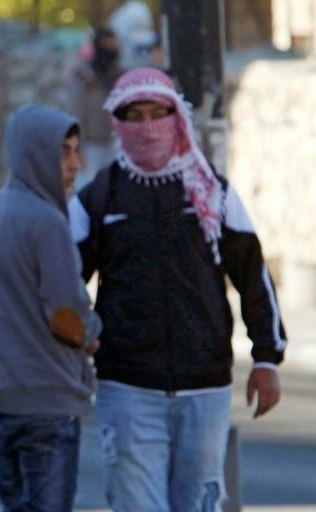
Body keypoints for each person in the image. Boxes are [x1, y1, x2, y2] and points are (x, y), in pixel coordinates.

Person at [68, 68, 287, 511]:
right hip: (127, 388)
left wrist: (267, 356)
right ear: (118, 122)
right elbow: (62, 279)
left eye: (157, 113)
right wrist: (81, 333)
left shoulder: (215, 194)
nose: (147, 126)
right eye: (135, 115)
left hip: (205, 390)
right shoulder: (99, 197)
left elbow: (252, 276)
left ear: (176, 117)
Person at [0, 105, 102, 512]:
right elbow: (67, 318)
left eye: (76, 150)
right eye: (64, 151)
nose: (77, 163)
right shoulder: (47, 222)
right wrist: (93, 333)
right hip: (47, 400)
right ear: (34, 154)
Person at [66, 28, 122, 192]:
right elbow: (75, 112)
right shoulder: (83, 76)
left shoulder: (116, 75)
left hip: (114, 144)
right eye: (107, 45)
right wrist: (77, 149)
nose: (112, 50)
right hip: (90, 146)